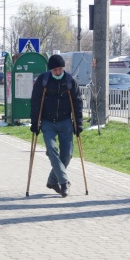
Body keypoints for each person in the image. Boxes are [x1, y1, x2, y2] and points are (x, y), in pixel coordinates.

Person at [30, 54, 83, 198]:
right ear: (50, 70)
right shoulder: (43, 80)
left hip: (65, 121)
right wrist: (35, 123)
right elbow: (35, 102)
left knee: (67, 154)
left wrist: (78, 124)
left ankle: (53, 180)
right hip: (47, 122)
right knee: (52, 150)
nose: (58, 72)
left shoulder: (70, 81)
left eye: (59, 69)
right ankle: (64, 182)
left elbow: (77, 103)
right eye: (54, 70)